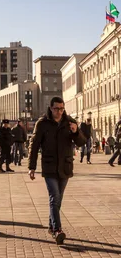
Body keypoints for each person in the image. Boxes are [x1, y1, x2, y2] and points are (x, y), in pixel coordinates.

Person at [28, 96, 86, 245]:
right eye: (56, 109)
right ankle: (58, 230)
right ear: (50, 108)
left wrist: (75, 131)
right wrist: (31, 167)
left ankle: (51, 227)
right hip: (49, 167)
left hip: (65, 167)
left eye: (61, 108)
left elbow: (81, 142)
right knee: (54, 197)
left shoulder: (69, 122)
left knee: (58, 199)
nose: (59, 112)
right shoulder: (42, 124)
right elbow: (34, 146)